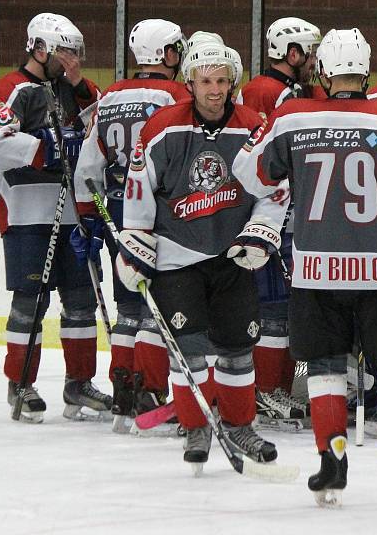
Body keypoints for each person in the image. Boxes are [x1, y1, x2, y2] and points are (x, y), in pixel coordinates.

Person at [233, 28, 377, 509]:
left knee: (326, 366)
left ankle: (331, 462)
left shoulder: (291, 117)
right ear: (366, 69)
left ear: (324, 73)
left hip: (315, 271)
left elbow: (250, 173)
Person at [113, 40, 285, 474]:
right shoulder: (163, 127)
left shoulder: (253, 127)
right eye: (206, 81)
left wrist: (260, 231)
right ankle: (197, 427)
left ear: (232, 83)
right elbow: (139, 189)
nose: (214, 89)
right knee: (187, 352)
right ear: (189, 82)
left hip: (233, 256)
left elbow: (276, 187)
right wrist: (135, 244)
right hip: (177, 257)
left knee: (237, 350)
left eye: (222, 81)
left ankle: (240, 425)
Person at [0, 12, 109, 423]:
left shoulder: (72, 87)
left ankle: (78, 384)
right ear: (40, 48)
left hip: (73, 209)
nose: (73, 60)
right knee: (30, 302)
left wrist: (78, 86)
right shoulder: (10, 89)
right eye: (65, 52)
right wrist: (48, 150)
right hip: (25, 212)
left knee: (80, 299)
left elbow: (102, 121)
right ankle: (20, 382)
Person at [73, 19, 190, 430]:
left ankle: (122, 387)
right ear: (168, 54)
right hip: (162, 213)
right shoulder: (177, 94)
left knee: (128, 305)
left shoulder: (110, 95)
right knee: (159, 306)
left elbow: (88, 165)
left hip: (118, 212)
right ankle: (150, 390)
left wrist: (87, 218)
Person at [236, 16, 322, 429]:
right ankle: (265, 391)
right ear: (292, 53)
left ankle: (277, 389)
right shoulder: (263, 90)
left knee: (285, 309)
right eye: (310, 50)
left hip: (292, 216)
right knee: (272, 308)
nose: (315, 59)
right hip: (271, 218)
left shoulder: (293, 90)